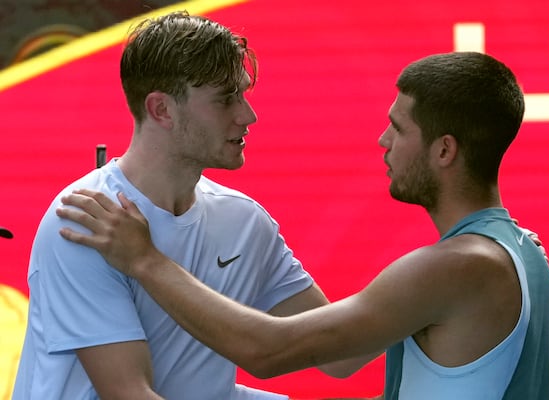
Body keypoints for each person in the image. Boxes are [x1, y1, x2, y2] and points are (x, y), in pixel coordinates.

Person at [56, 51, 549, 399]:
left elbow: (268, 351)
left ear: (444, 150)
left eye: (399, 128)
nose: (383, 141)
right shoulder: (524, 250)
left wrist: (144, 259)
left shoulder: (453, 268)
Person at [12, 11, 375, 400]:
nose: (247, 116)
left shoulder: (245, 222)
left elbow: (338, 355)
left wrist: (427, 295)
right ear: (161, 110)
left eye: (243, 95)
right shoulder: (86, 220)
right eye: (225, 100)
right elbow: (131, 394)